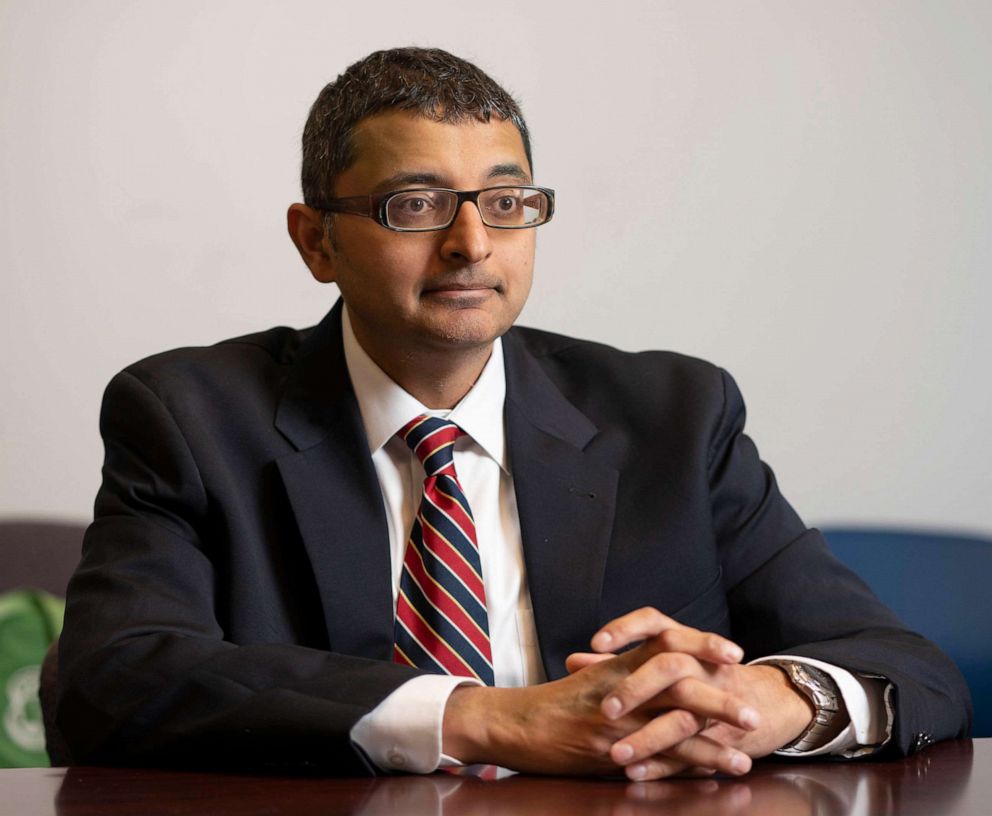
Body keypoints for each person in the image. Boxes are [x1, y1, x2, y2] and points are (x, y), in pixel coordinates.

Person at [56, 47, 970, 779]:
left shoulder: (675, 419)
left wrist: (762, 702)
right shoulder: (190, 416)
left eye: (505, 201)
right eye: (414, 204)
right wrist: (489, 718)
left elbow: (911, 668)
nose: (471, 244)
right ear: (316, 240)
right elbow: (112, 680)